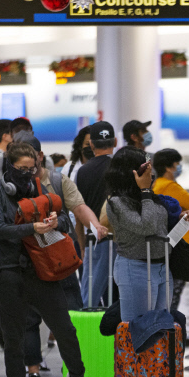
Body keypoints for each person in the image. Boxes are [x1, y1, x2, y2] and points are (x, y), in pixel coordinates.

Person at [0, 142, 88, 377]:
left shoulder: (41, 188)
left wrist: (56, 222)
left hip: (44, 269)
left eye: (33, 168)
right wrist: (33, 227)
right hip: (9, 271)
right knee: (14, 336)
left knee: (65, 330)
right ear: (9, 166)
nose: (29, 173)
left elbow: (65, 220)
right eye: (22, 169)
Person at [18, 135, 107, 377]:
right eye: (19, 162)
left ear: (39, 154)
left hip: (59, 261)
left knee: (71, 318)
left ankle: (75, 375)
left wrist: (95, 225)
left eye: (30, 158)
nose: (26, 166)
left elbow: (79, 208)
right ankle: (33, 372)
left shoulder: (57, 180)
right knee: (29, 320)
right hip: (27, 261)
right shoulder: (10, 185)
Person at [105, 146, 189, 322]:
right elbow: (146, 227)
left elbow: (160, 230)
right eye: (144, 168)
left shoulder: (149, 197)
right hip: (135, 268)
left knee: (161, 329)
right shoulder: (117, 202)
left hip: (162, 267)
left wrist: (182, 220)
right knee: (138, 331)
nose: (150, 173)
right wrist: (145, 191)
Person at [76, 121, 118, 307]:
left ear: (91, 144)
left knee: (90, 299)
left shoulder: (83, 172)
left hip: (95, 240)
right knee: (119, 298)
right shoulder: (121, 168)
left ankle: (89, 334)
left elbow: (78, 211)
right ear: (115, 141)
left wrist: (82, 245)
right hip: (123, 241)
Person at [152, 148, 189, 311]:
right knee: (175, 290)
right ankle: (171, 329)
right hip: (178, 244)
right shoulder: (169, 186)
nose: (179, 167)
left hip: (164, 243)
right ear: (168, 167)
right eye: (177, 164)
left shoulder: (156, 184)